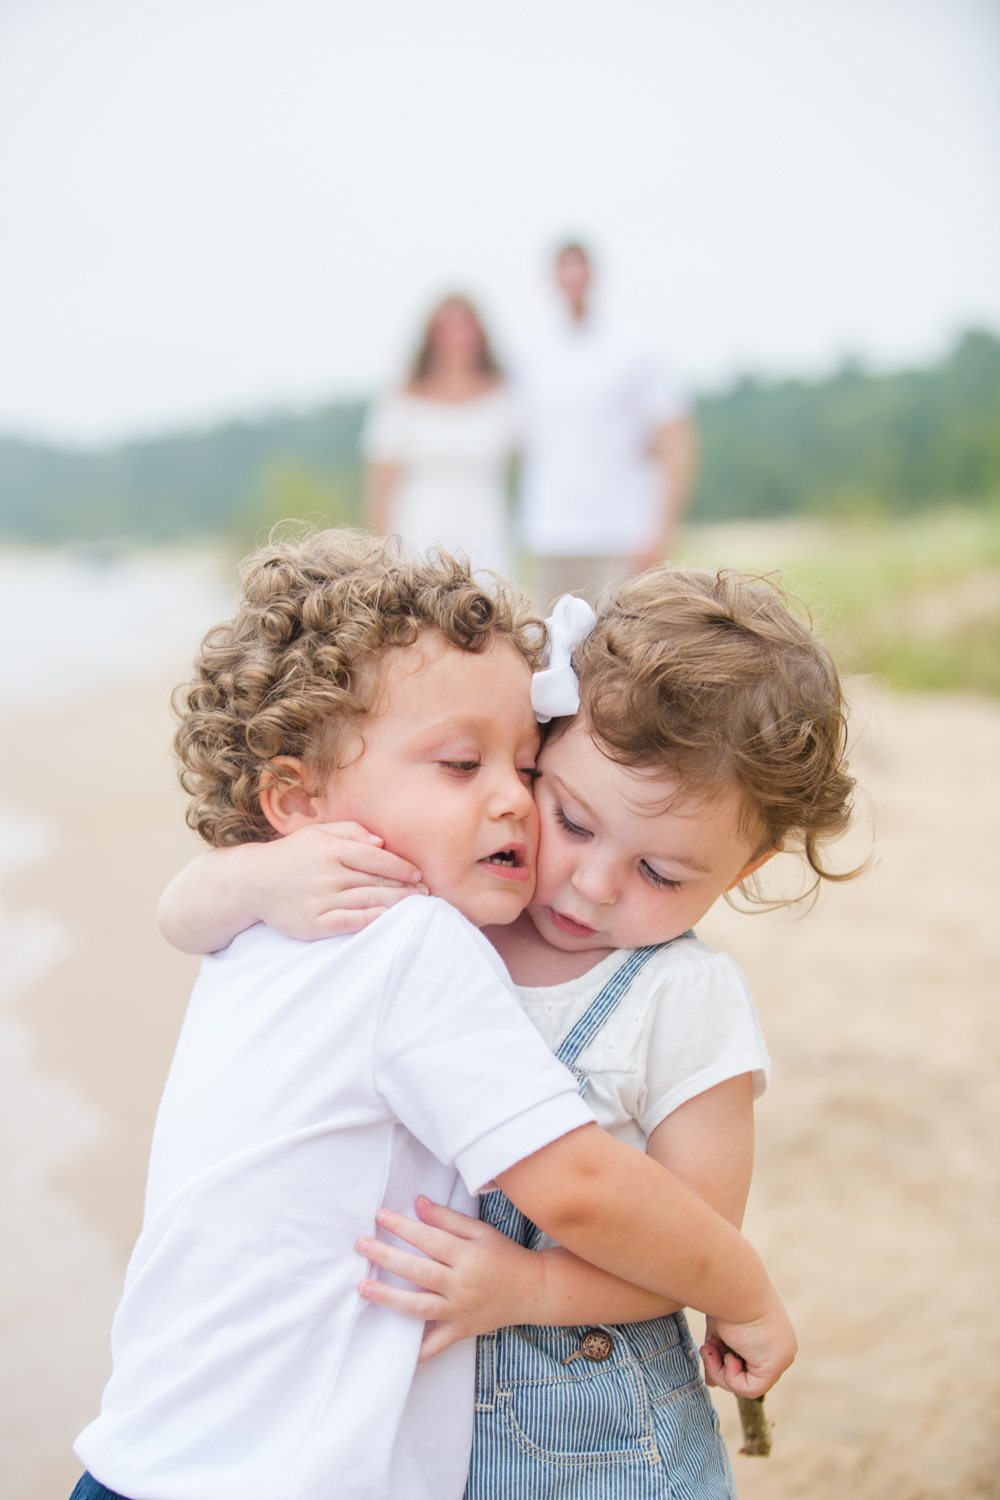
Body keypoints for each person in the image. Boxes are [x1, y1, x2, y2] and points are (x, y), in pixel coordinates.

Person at [72, 531, 796, 1500]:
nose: (510, 802)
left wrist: (248, 869)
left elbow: (182, 909)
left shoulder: (264, 921)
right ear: (296, 799)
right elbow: (578, 1187)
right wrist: (745, 1290)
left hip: (146, 1449)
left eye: (524, 766)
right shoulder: (411, 942)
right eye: (461, 766)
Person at [517, 240, 697, 604]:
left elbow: (675, 438)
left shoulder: (634, 349)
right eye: (563, 269)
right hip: (550, 532)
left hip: (620, 532)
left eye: (578, 268)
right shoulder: (529, 353)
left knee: (615, 649)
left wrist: (661, 529)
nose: (572, 278)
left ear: (593, 275)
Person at [363, 293, 518, 575]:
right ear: (431, 336)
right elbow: (382, 478)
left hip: (485, 531)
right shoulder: (403, 396)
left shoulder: (503, 394)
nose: (457, 339)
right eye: (447, 329)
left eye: (465, 328)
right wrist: (381, 550)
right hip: (420, 531)